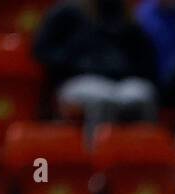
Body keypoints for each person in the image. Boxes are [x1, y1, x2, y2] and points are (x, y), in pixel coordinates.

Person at [33, 0, 160, 129]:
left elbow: (144, 58)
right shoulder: (67, 12)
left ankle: (143, 147)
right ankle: (97, 147)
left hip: (121, 82)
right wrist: (74, 64)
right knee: (103, 100)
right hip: (78, 80)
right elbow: (42, 50)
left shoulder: (124, 13)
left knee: (143, 94)